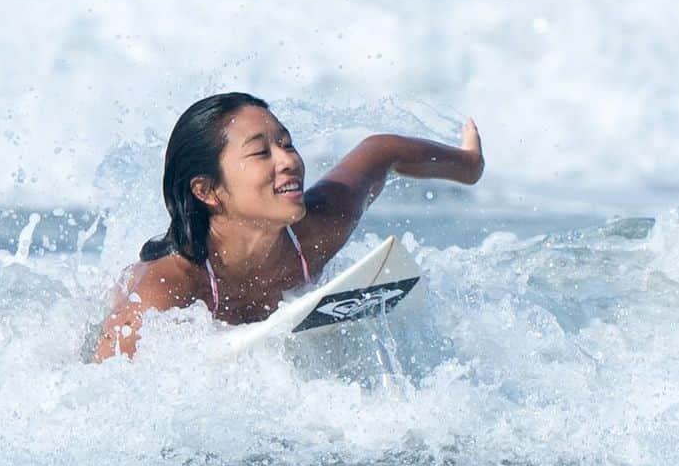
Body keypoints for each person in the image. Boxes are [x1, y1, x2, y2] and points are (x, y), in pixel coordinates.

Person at [92, 92, 483, 361]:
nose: (288, 161)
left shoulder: (320, 228)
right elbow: (101, 384)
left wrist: (468, 166)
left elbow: (381, 151)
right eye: (262, 152)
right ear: (207, 190)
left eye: (287, 144)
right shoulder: (165, 289)